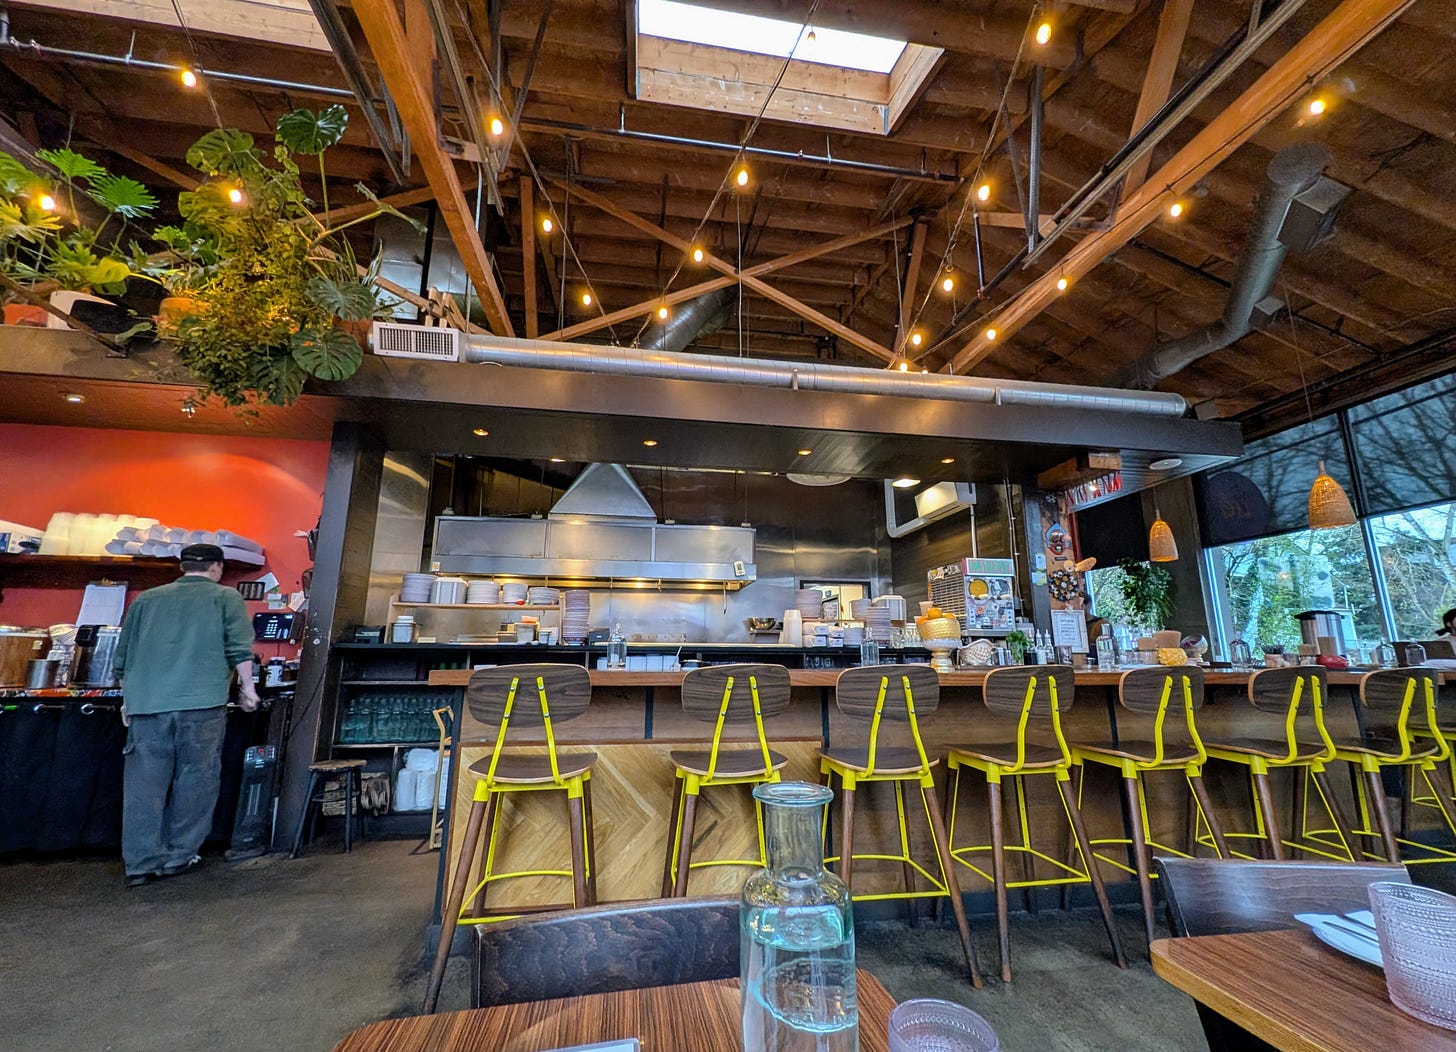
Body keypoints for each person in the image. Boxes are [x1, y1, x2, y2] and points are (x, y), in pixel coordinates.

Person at [114, 543, 258, 887]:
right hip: (201, 703)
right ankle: (178, 856)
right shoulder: (225, 598)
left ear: (182, 567)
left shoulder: (147, 600)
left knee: (143, 786)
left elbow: (122, 656)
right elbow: (239, 648)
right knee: (196, 780)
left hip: (148, 704)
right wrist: (248, 689)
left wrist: (128, 700)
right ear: (217, 567)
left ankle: (140, 863)